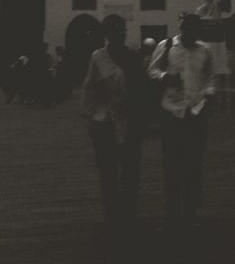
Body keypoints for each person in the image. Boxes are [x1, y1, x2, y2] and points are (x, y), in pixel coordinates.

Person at [79, 15, 149, 227]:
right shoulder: (98, 57)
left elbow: (141, 89)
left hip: (130, 121)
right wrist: (91, 117)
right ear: (108, 34)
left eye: (122, 29)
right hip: (105, 121)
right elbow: (89, 88)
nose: (121, 32)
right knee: (108, 171)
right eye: (116, 29)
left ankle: (128, 213)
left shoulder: (132, 56)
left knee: (131, 170)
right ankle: (113, 214)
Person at [148, 13, 215, 227]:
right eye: (186, 30)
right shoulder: (167, 46)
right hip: (172, 111)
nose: (188, 35)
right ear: (182, 28)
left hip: (195, 112)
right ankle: (174, 207)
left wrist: (207, 95)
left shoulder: (205, 50)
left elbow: (210, 78)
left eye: (193, 31)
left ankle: (190, 207)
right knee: (172, 162)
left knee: (194, 162)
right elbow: (152, 70)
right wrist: (165, 77)